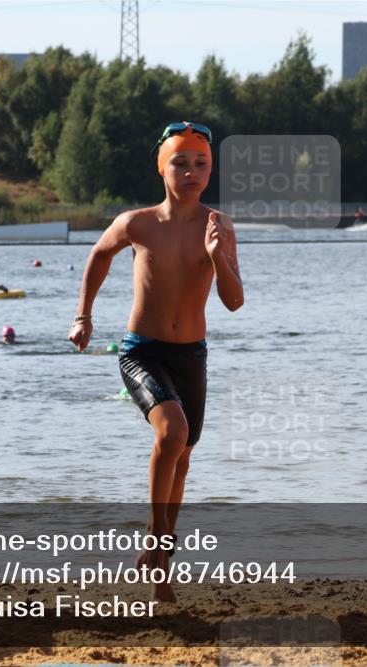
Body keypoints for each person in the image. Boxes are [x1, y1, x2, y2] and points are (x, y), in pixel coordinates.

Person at [67, 121, 244, 602]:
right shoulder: (136, 223)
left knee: (181, 459)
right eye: (180, 162)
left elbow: (233, 302)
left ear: (211, 168)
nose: (191, 172)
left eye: (201, 163)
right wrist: (84, 316)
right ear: (161, 167)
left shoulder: (219, 226)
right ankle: (158, 544)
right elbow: (98, 257)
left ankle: (159, 561)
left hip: (192, 353)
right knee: (173, 432)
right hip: (141, 350)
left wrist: (218, 258)